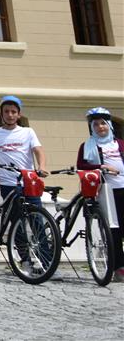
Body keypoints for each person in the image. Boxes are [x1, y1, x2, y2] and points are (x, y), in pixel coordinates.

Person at [0, 95, 50, 275]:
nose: (10, 115)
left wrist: (41, 167)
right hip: (7, 184)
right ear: (1, 114)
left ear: (19, 115)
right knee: (17, 224)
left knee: (37, 222)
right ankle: (25, 261)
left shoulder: (28, 132)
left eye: (13, 112)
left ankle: (47, 263)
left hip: (29, 181)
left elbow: (38, 151)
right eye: (7, 112)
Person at [76, 106, 124, 283]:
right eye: (96, 124)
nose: (100, 127)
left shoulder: (119, 144)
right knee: (114, 230)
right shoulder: (88, 146)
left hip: (123, 187)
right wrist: (100, 167)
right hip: (106, 191)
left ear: (109, 125)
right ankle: (118, 267)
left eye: (103, 123)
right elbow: (81, 165)